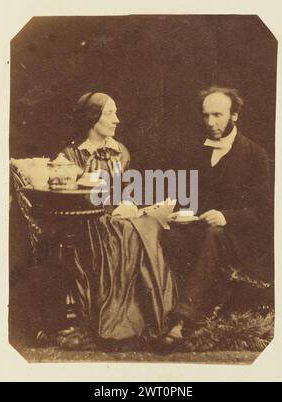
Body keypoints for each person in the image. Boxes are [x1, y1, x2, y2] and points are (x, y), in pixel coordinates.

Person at [57, 92, 177, 349]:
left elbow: (125, 191)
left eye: (115, 112)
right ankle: (120, 323)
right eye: (109, 113)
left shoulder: (120, 151)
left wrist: (129, 203)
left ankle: (154, 319)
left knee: (148, 225)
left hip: (118, 216)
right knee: (128, 230)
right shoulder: (71, 155)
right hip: (87, 220)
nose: (116, 119)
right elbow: (72, 198)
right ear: (92, 117)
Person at [163, 86, 273, 346]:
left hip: (239, 239)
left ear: (234, 116)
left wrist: (226, 216)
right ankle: (151, 315)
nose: (210, 123)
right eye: (206, 115)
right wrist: (171, 210)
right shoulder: (195, 150)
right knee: (165, 234)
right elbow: (182, 196)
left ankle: (180, 322)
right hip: (198, 230)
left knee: (214, 236)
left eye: (218, 115)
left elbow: (265, 213)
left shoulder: (255, 155)